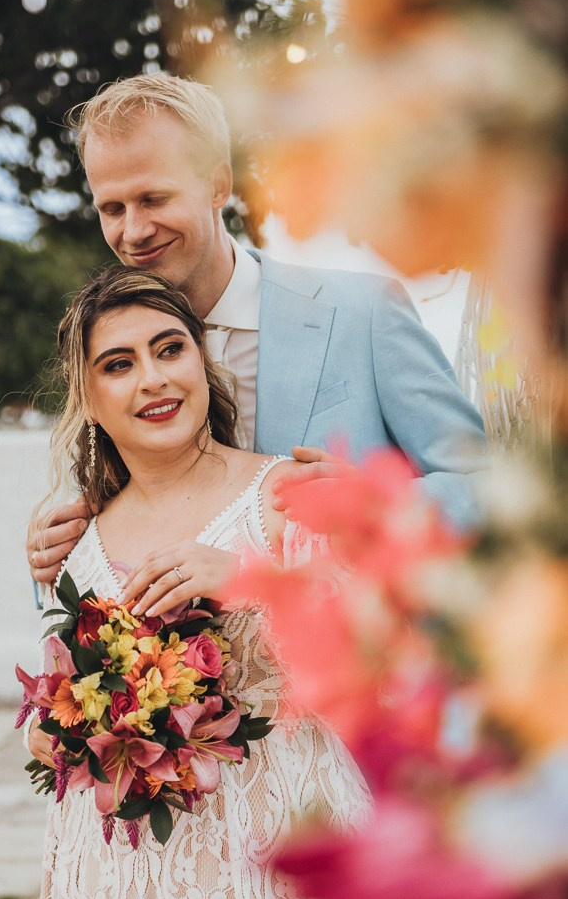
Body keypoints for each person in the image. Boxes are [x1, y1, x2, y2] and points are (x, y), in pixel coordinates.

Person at [29, 264, 371, 899]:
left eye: (169, 348)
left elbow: (370, 664)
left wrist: (252, 581)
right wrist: (56, 731)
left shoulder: (284, 492)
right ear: (88, 399)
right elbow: (56, 691)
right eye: (118, 365)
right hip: (125, 875)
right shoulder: (75, 546)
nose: (152, 378)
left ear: (201, 363)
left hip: (276, 844)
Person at [27, 72, 488, 586]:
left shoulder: (365, 311)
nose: (133, 231)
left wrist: (374, 504)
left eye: (154, 199)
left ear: (218, 185)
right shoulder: (113, 367)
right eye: (112, 208)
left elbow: (488, 489)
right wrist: (58, 555)